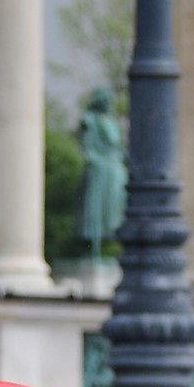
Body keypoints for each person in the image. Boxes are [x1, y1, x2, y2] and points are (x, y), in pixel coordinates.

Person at [77, 87, 127, 259]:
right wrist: (95, 160)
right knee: (94, 209)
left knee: (116, 210)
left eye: (109, 101)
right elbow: (87, 148)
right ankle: (92, 249)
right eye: (104, 101)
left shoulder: (113, 122)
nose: (107, 104)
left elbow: (118, 147)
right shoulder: (89, 120)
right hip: (100, 169)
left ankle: (115, 246)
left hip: (115, 170)